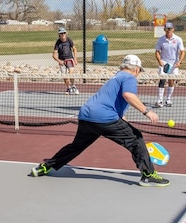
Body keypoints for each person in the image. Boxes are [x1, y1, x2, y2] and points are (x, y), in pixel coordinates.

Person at [30, 55, 170, 187]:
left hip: (86, 115)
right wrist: (147, 111)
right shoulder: (129, 77)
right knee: (136, 139)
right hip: (103, 118)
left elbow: (111, 102)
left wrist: (122, 120)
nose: (138, 73)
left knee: (76, 146)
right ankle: (148, 174)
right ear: (135, 68)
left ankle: (45, 167)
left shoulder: (115, 77)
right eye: (139, 70)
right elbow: (128, 95)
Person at [154, 22, 185, 108]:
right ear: (164, 29)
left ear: (173, 29)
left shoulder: (178, 39)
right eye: (167, 29)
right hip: (164, 62)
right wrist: (159, 61)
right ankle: (159, 101)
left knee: (171, 80)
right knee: (162, 80)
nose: (168, 30)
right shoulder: (161, 39)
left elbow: (182, 52)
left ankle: (168, 99)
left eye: (170, 29)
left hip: (174, 63)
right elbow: (157, 51)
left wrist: (179, 62)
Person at [53, 27, 79, 94]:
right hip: (62, 61)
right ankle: (69, 88)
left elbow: (74, 49)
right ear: (59, 34)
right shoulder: (58, 43)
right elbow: (54, 55)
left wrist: (75, 58)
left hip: (70, 59)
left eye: (64, 33)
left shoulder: (69, 40)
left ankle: (73, 86)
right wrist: (59, 61)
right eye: (61, 33)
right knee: (65, 77)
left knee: (71, 74)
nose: (63, 34)